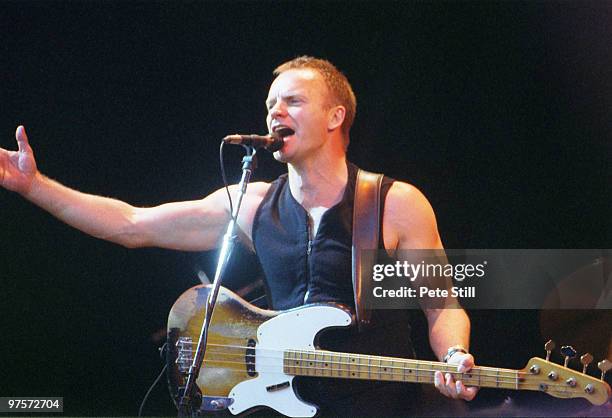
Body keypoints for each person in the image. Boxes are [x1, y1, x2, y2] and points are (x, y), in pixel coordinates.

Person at [1, 56, 477, 413]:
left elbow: (442, 306)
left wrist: (454, 355)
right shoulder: (251, 203)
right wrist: (33, 185)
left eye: (292, 101)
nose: (275, 113)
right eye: (271, 104)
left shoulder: (394, 202)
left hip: (382, 404)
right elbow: (131, 225)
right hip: (285, 404)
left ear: (335, 117)